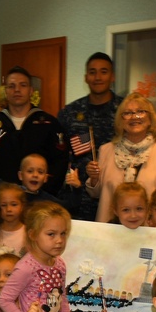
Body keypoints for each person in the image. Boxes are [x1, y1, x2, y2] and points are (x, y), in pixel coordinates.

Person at [85, 93, 156, 223]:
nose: (134, 117)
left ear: (150, 119)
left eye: (141, 112)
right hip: (111, 229)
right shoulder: (106, 150)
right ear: (120, 120)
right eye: (128, 113)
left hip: (150, 229)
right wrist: (94, 178)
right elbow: (95, 193)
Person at [0, 66, 67, 196]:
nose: (17, 90)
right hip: (1, 200)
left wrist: (43, 194)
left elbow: (60, 162)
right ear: (6, 91)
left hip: (39, 201)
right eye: (11, 86)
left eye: (22, 85)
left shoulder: (49, 124)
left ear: (31, 91)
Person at [0, 201, 76, 312]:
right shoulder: (26, 267)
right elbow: (4, 300)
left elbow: (62, 301)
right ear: (33, 234)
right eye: (51, 234)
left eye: (63, 233)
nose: (59, 240)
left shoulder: (60, 264)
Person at [58, 52, 124, 221]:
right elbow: (60, 153)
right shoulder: (70, 112)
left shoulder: (125, 110)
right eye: (92, 72)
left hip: (116, 197)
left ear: (113, 76)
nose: (98, 77)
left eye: (104, 71)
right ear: (86, 77)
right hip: (78, 198)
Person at [0, 183, 27, 256]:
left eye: (14, 204)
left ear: (22, 206)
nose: (8, 209)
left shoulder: (28, 232)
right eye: (3, 205)